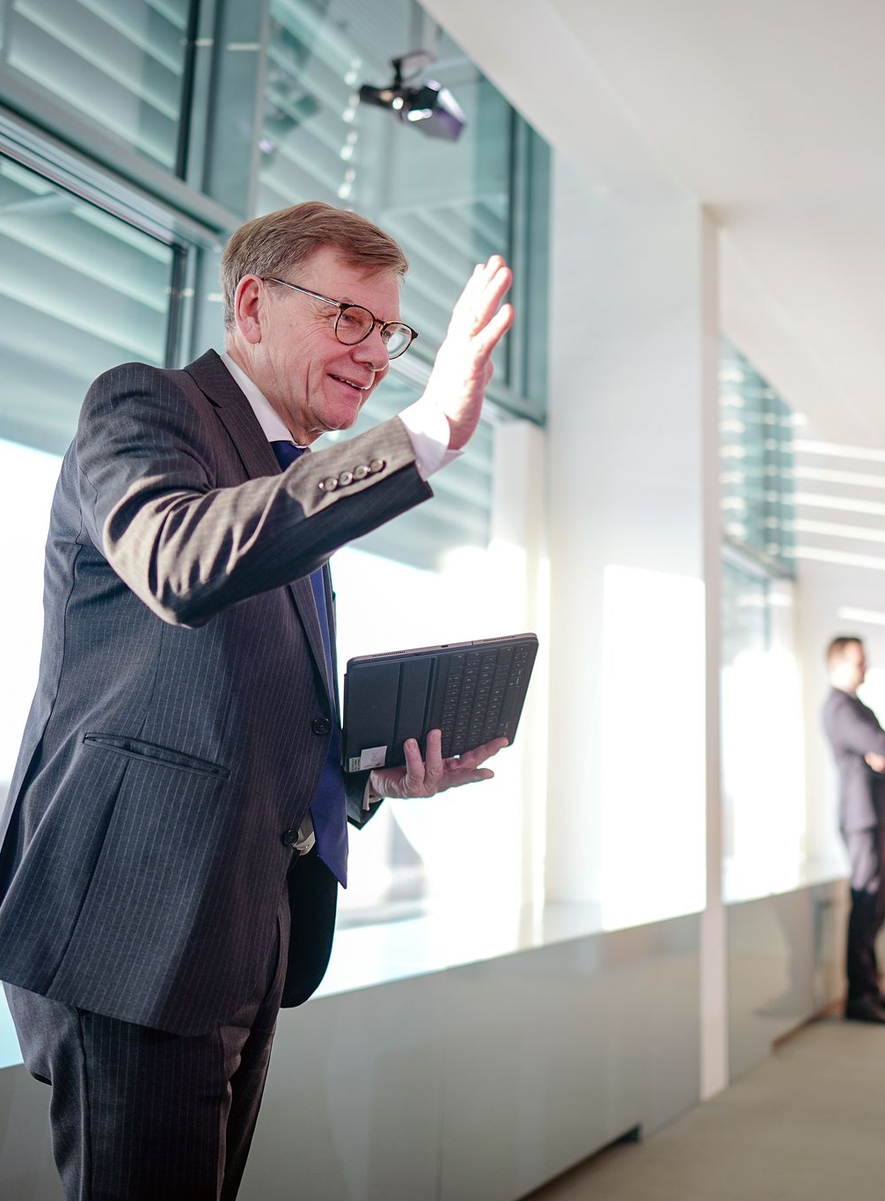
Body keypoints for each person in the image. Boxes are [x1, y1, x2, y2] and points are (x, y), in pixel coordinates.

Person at [0, 201, 514, 1200]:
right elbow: (181, 560)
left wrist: (366, 780)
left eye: (391, 334)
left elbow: (253, 716)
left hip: (244, 934)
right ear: (250, 304)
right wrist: (422, 436)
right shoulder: (144, 408)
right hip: (135, 933)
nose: (374, 355)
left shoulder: (284, 480)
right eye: (349, 319)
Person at [821, 635, 885, 1026]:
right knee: (866, 904)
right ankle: (858, 996)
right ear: (837, 664)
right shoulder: (841, 708)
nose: (865, 668)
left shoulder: (857, 706)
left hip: (877, 815)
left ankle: (873, 987)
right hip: (861, 818)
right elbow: (883, 744)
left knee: (877, 906)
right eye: (858, 662)